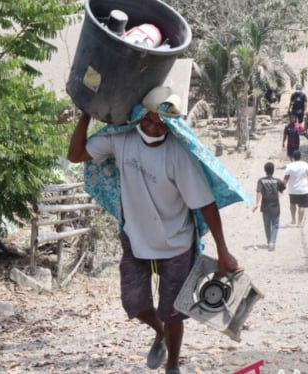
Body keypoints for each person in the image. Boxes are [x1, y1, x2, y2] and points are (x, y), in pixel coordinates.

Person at [67, 86, 243, 374]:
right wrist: (86, 115)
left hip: (176, 243)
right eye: (148, 120)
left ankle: (172, 364)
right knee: (134, 303)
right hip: (136, 238)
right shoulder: (121, 141)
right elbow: (76, 155)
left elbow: (206, 204)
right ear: (139, 118)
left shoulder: (178, 156)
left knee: (174, 311)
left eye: (161, 123)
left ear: (170, 125)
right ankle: (158, 332)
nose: (153, 127)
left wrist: (223, 252)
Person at [252, 162, 286, 251]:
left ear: (265, 170)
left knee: (267, 225)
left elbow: (258, 192)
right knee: (275, 225)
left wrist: (256, 204)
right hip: (275, 206)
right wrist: (280, 193)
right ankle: (272, 242)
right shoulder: (277, 180)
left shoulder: (261, 181)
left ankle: (269, 241)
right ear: (273, 170)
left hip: (265, 206)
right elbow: (283, 189)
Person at [283, 150, 308, 227]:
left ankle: (293, 219)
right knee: (302, 206)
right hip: (303, 189)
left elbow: (286, 178)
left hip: (292, 189)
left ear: (293, 157)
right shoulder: (305, 164)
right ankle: (299, 222)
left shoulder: (290, 166)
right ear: (300, 156)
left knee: (292, 204)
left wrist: (282, 186)